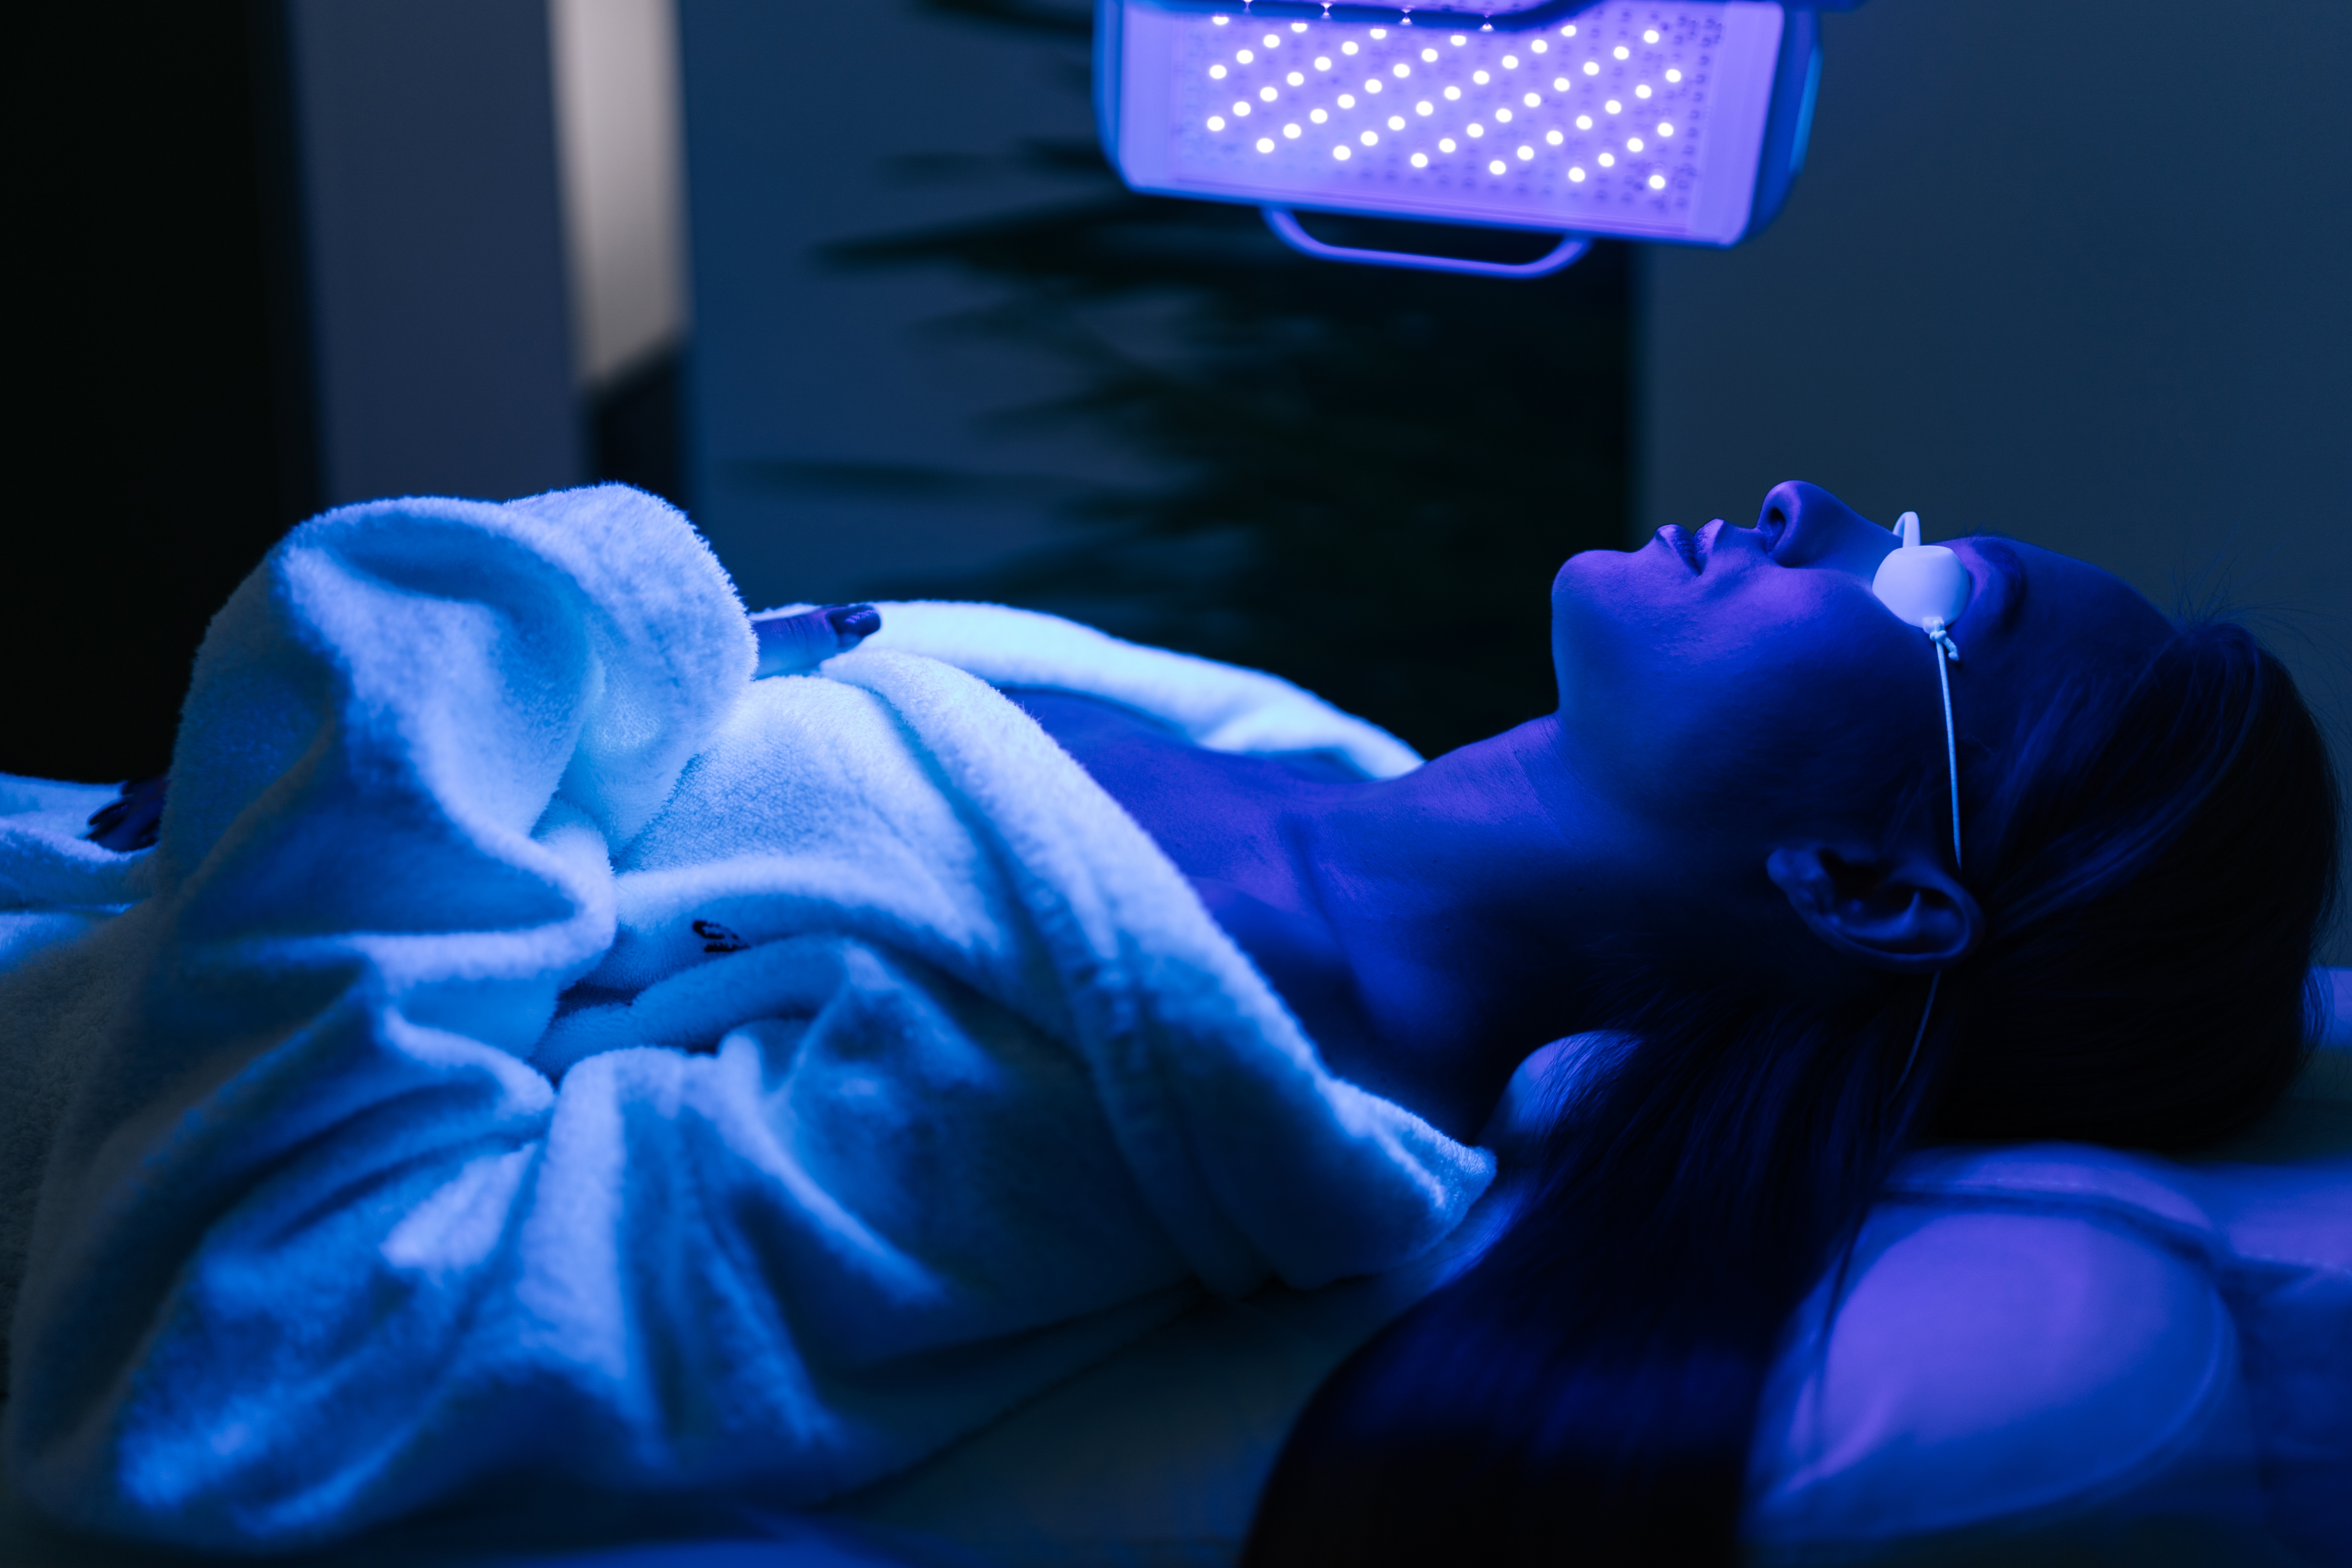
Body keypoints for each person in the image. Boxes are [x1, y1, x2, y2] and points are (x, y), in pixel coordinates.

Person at [0, 481, 2335, 1563]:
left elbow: (263, 1362)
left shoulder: (1108, 1097)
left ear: (1863, 886)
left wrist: (471, 630)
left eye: (1920, 585)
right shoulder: (1282, 760)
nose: (1820, 501)